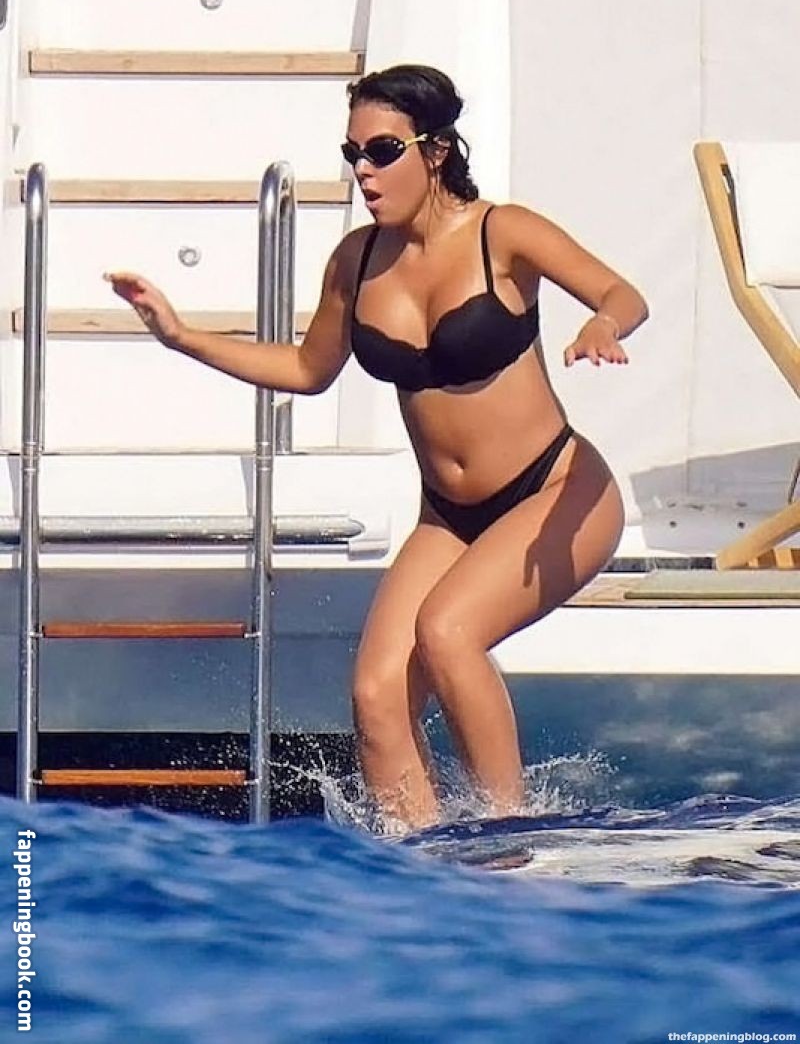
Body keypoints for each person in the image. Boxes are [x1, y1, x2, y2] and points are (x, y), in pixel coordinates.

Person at [105, 63, 648, 832]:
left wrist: (602, 324)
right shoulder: (357, 260)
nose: (363, 170)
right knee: (376, 695)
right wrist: (183, 336)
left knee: (448, 633)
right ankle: (419, 858)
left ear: (436, 150)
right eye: (353, 153)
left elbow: (623, 294)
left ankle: (511, 843)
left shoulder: (503, 232)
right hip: (450, 516)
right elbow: (306, 369)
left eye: (383, 151)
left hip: (557, 491)